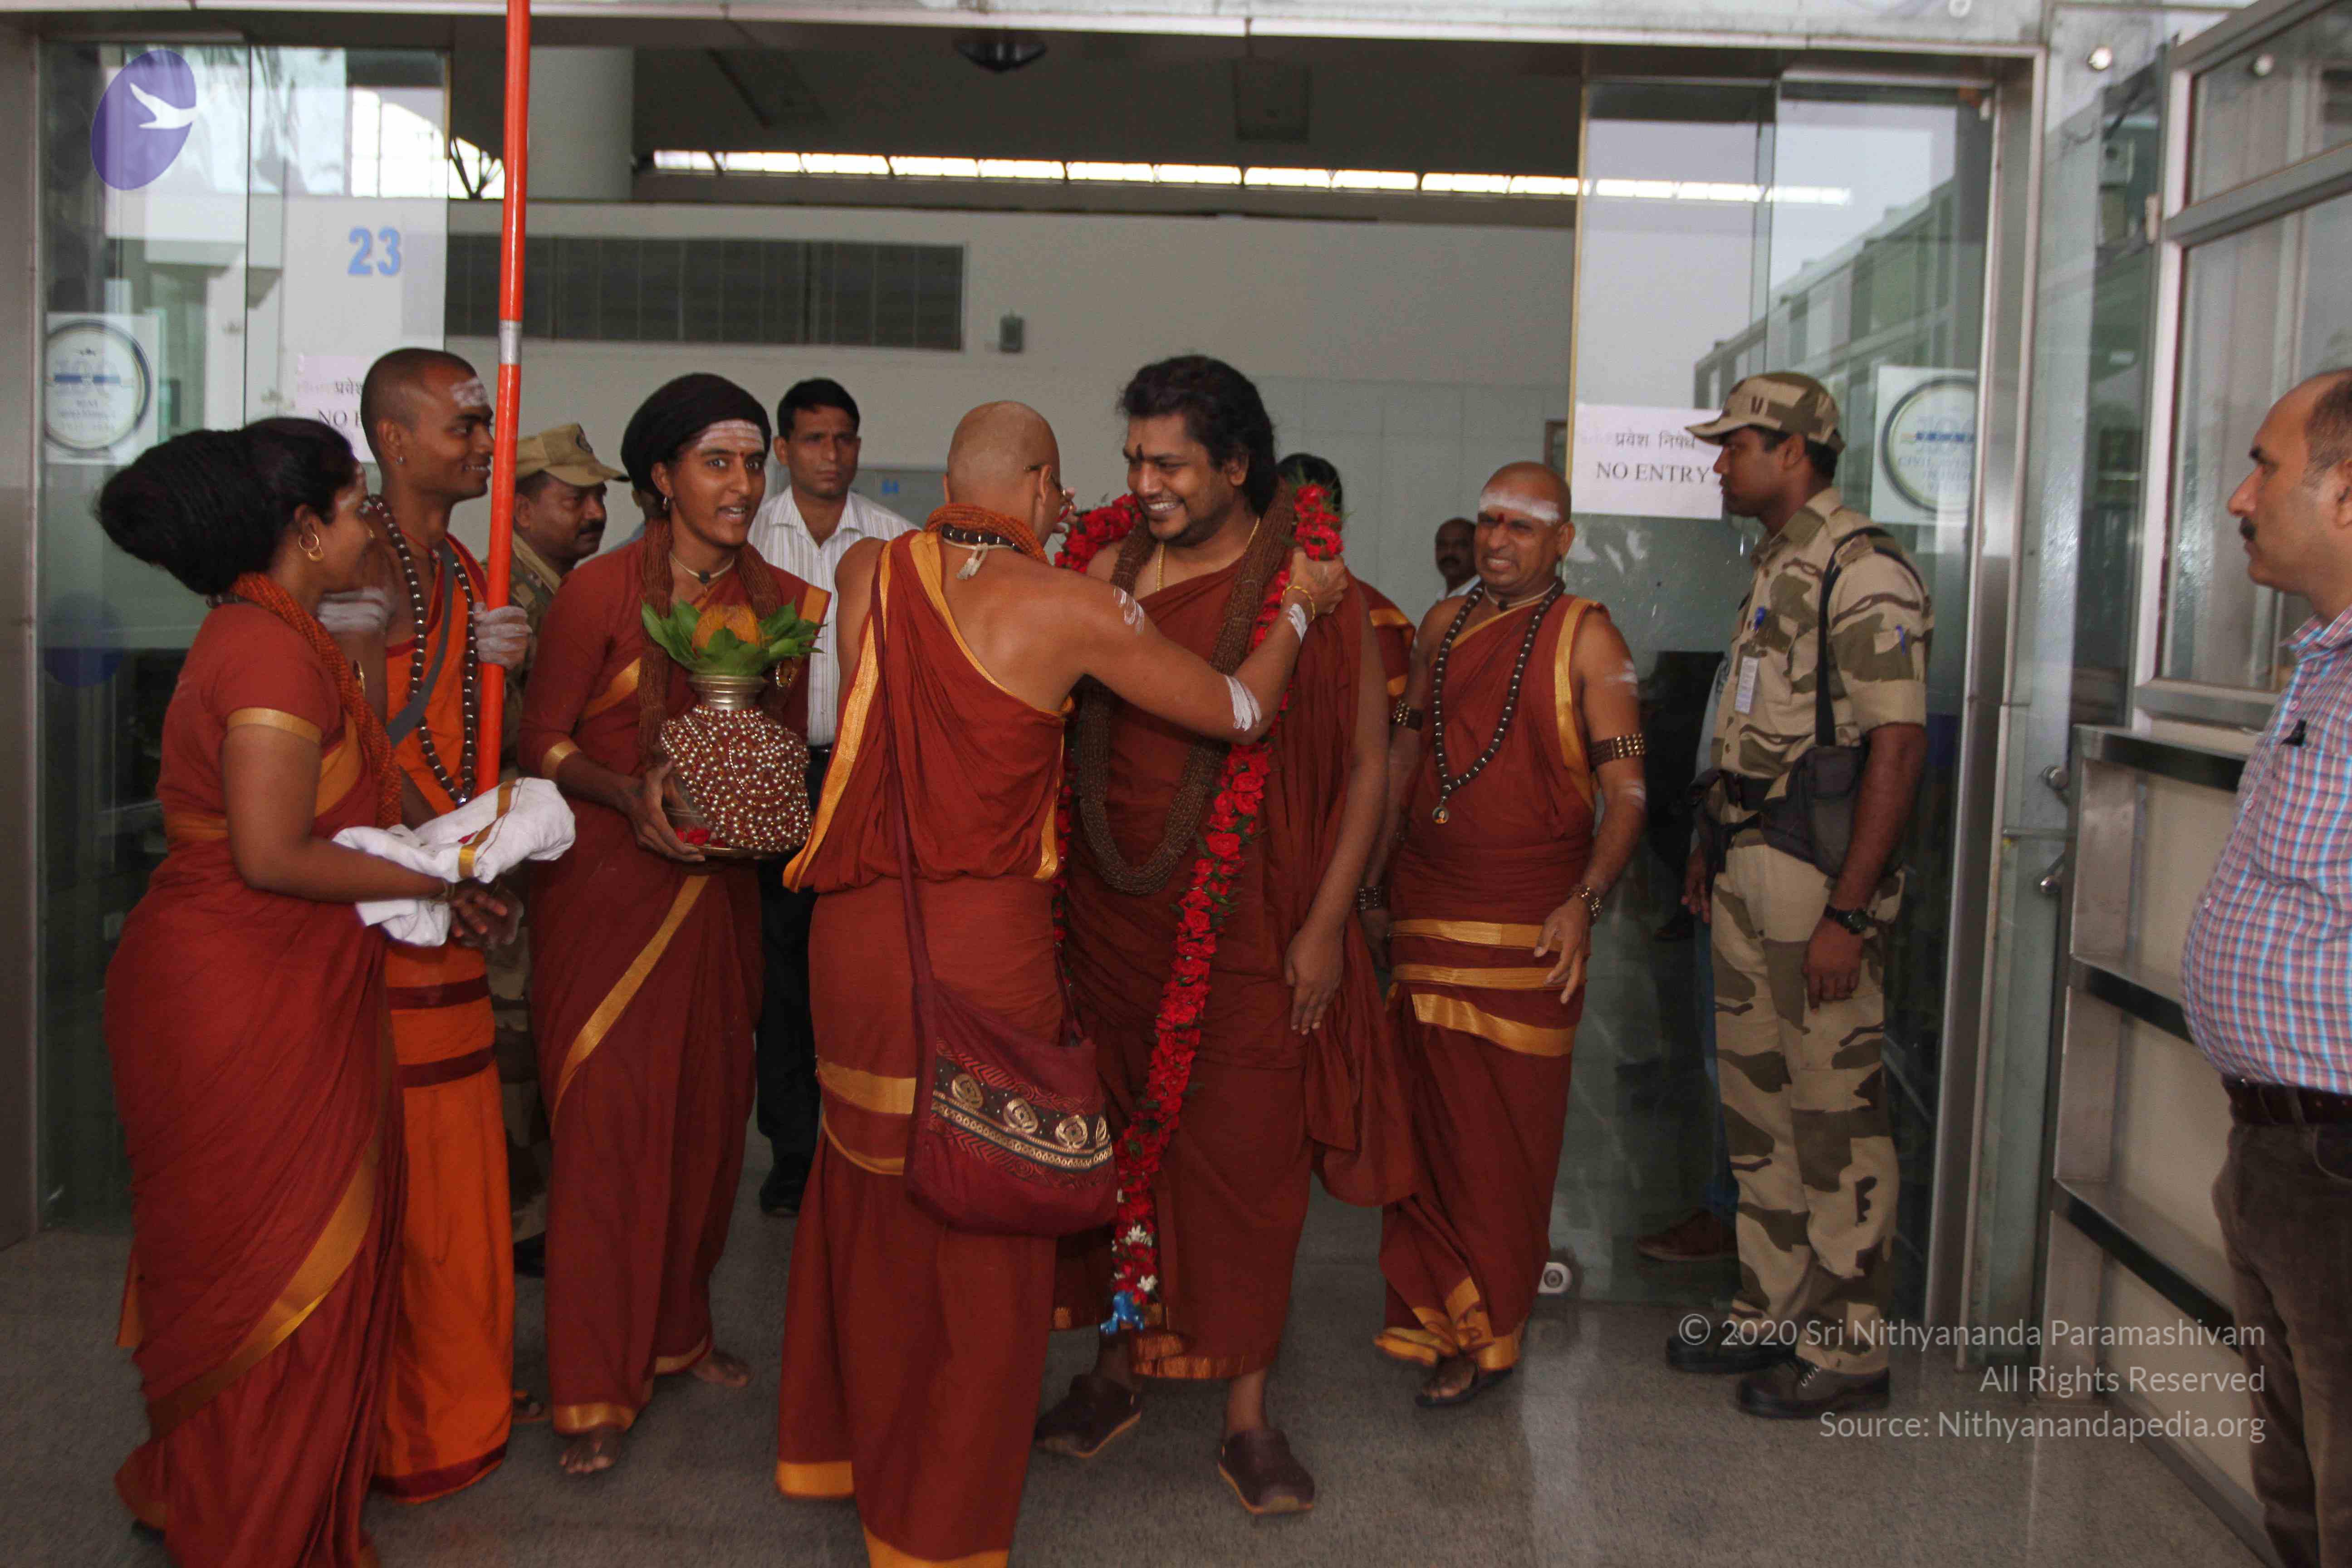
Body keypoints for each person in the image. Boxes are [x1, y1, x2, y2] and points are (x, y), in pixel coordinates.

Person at [774, 400, 1351, 1567]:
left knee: (870, 1212)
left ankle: (848, 1455)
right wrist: (1298, 606)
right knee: (981, 1229)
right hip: (980, 954)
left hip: (854, 942)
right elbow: (1241, 710)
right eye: (1062, 486)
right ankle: (938, 1525)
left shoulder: (870, 573)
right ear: (1039, 485)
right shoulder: (1070, 607)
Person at [100, 419, 505, 1566]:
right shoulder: (268, 652)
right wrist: (438, 875)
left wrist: (442, 867)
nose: (367, 526)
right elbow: (271, 852)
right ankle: (251, 1527)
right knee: (280, 1268)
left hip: (288, 975)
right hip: (237, 991)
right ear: (305, 529)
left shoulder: (287, 635)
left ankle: (245, 1503)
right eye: (352, 507)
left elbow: (350, 807)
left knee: (301, 1253)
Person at [1041, 357, 1409, 1514]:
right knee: (1114, 1160)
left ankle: (1248, 1414)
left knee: (1251, 1173)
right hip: (1109, 926)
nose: (1145, 483)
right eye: (1133, 461)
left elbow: (1366, 769)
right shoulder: (1103, 574)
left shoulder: (1321, 594)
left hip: (1254, 931)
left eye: (1171, 464)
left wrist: (1326, 926)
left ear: (1238, 467)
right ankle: (1116, 1368)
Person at [521, 373, 829, 1476]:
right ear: (661, 476)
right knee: (608, 1140)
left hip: (722, 898)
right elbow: (539, 742)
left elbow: (780, 745)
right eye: (716, 462)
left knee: (705, 1129)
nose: (742, 484)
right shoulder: (597, 593)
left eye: (752, 462)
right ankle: (592, 1382)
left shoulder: (785, 600)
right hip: (608, 894)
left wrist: (764, 810)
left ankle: (676, 1332)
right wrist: (625, 792)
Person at [1357, 462, 1646, 1406]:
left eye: (1522, 526)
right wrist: (1370, 882)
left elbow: (1627, 793)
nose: (1497, 540)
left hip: (1529, 928)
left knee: (1498, 1146)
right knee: (1425, 1132)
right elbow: (1404, 758)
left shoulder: (1588, 637)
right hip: (1427, 909)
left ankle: (1491, 1333)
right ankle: (1437, 1322)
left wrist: (1584, 901)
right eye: (1488, 521)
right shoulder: (1442, 626)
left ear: (1562, 541)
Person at [1672, 372, 1930, 1417]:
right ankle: (1771, 1307)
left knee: (1833, 1117)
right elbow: (1754, 728)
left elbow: (1896, 746)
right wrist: (1708, 842)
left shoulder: (1861, 567)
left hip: (1814, 881)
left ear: (1794, 451)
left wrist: (1848, 913)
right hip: (1748, 862)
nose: (1720, 464)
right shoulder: (1779, 563)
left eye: (1736, 445)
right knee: (1759, 1109)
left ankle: (1850, 1347)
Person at [331, 346, 536, 1498]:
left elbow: (469, 736)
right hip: (374, 917)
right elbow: (360, 741)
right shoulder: (354, 558)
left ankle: (448, 1406)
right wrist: (446, 863)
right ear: (394, 441)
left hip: (450, 895)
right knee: (389, 1172)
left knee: (456, 1170)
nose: (484, 443)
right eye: (462, 426)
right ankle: (379, 1421)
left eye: (485, 423)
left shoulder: (462, 563)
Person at [2180, 368, 2352, 1568]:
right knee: (2298, 1489)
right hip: (2282, 1149)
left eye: (2265, 467)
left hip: (2338, 1156)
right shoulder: (2325, 663)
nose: (2242, 498)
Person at [745, 378, 916, 1219]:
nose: (832, 454)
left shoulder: (896, 541)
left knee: (853, 961)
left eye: (844, 438)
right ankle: (792, 1150)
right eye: (813, 439)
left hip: (863, 777)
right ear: (783, 450)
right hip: (769, 769)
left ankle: (863, 1140)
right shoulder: (745, 533)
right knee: (779, 969)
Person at [496, 422, 623, 1277]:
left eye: (598, 496)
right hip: (508, 855)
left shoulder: (562, 589)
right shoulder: (508, 599)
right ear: (520, 506)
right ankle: (510, 1217)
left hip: (547, 850)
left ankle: (531, 1210)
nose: (594, 512)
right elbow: (511, 735)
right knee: (511, 1037)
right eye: (573, 497)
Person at [1279, 452, 1412, 708]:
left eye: (1313, 518)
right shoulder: (1242, 597)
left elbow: (1389, 718)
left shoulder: (1375, 614)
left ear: (1334, 523)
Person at [1434, 516, 1476, 597]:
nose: (1449, 552)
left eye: (1460, 546)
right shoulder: (1442, 597)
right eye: (1443, 545)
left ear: (1478, 551)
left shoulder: (1487, 599)